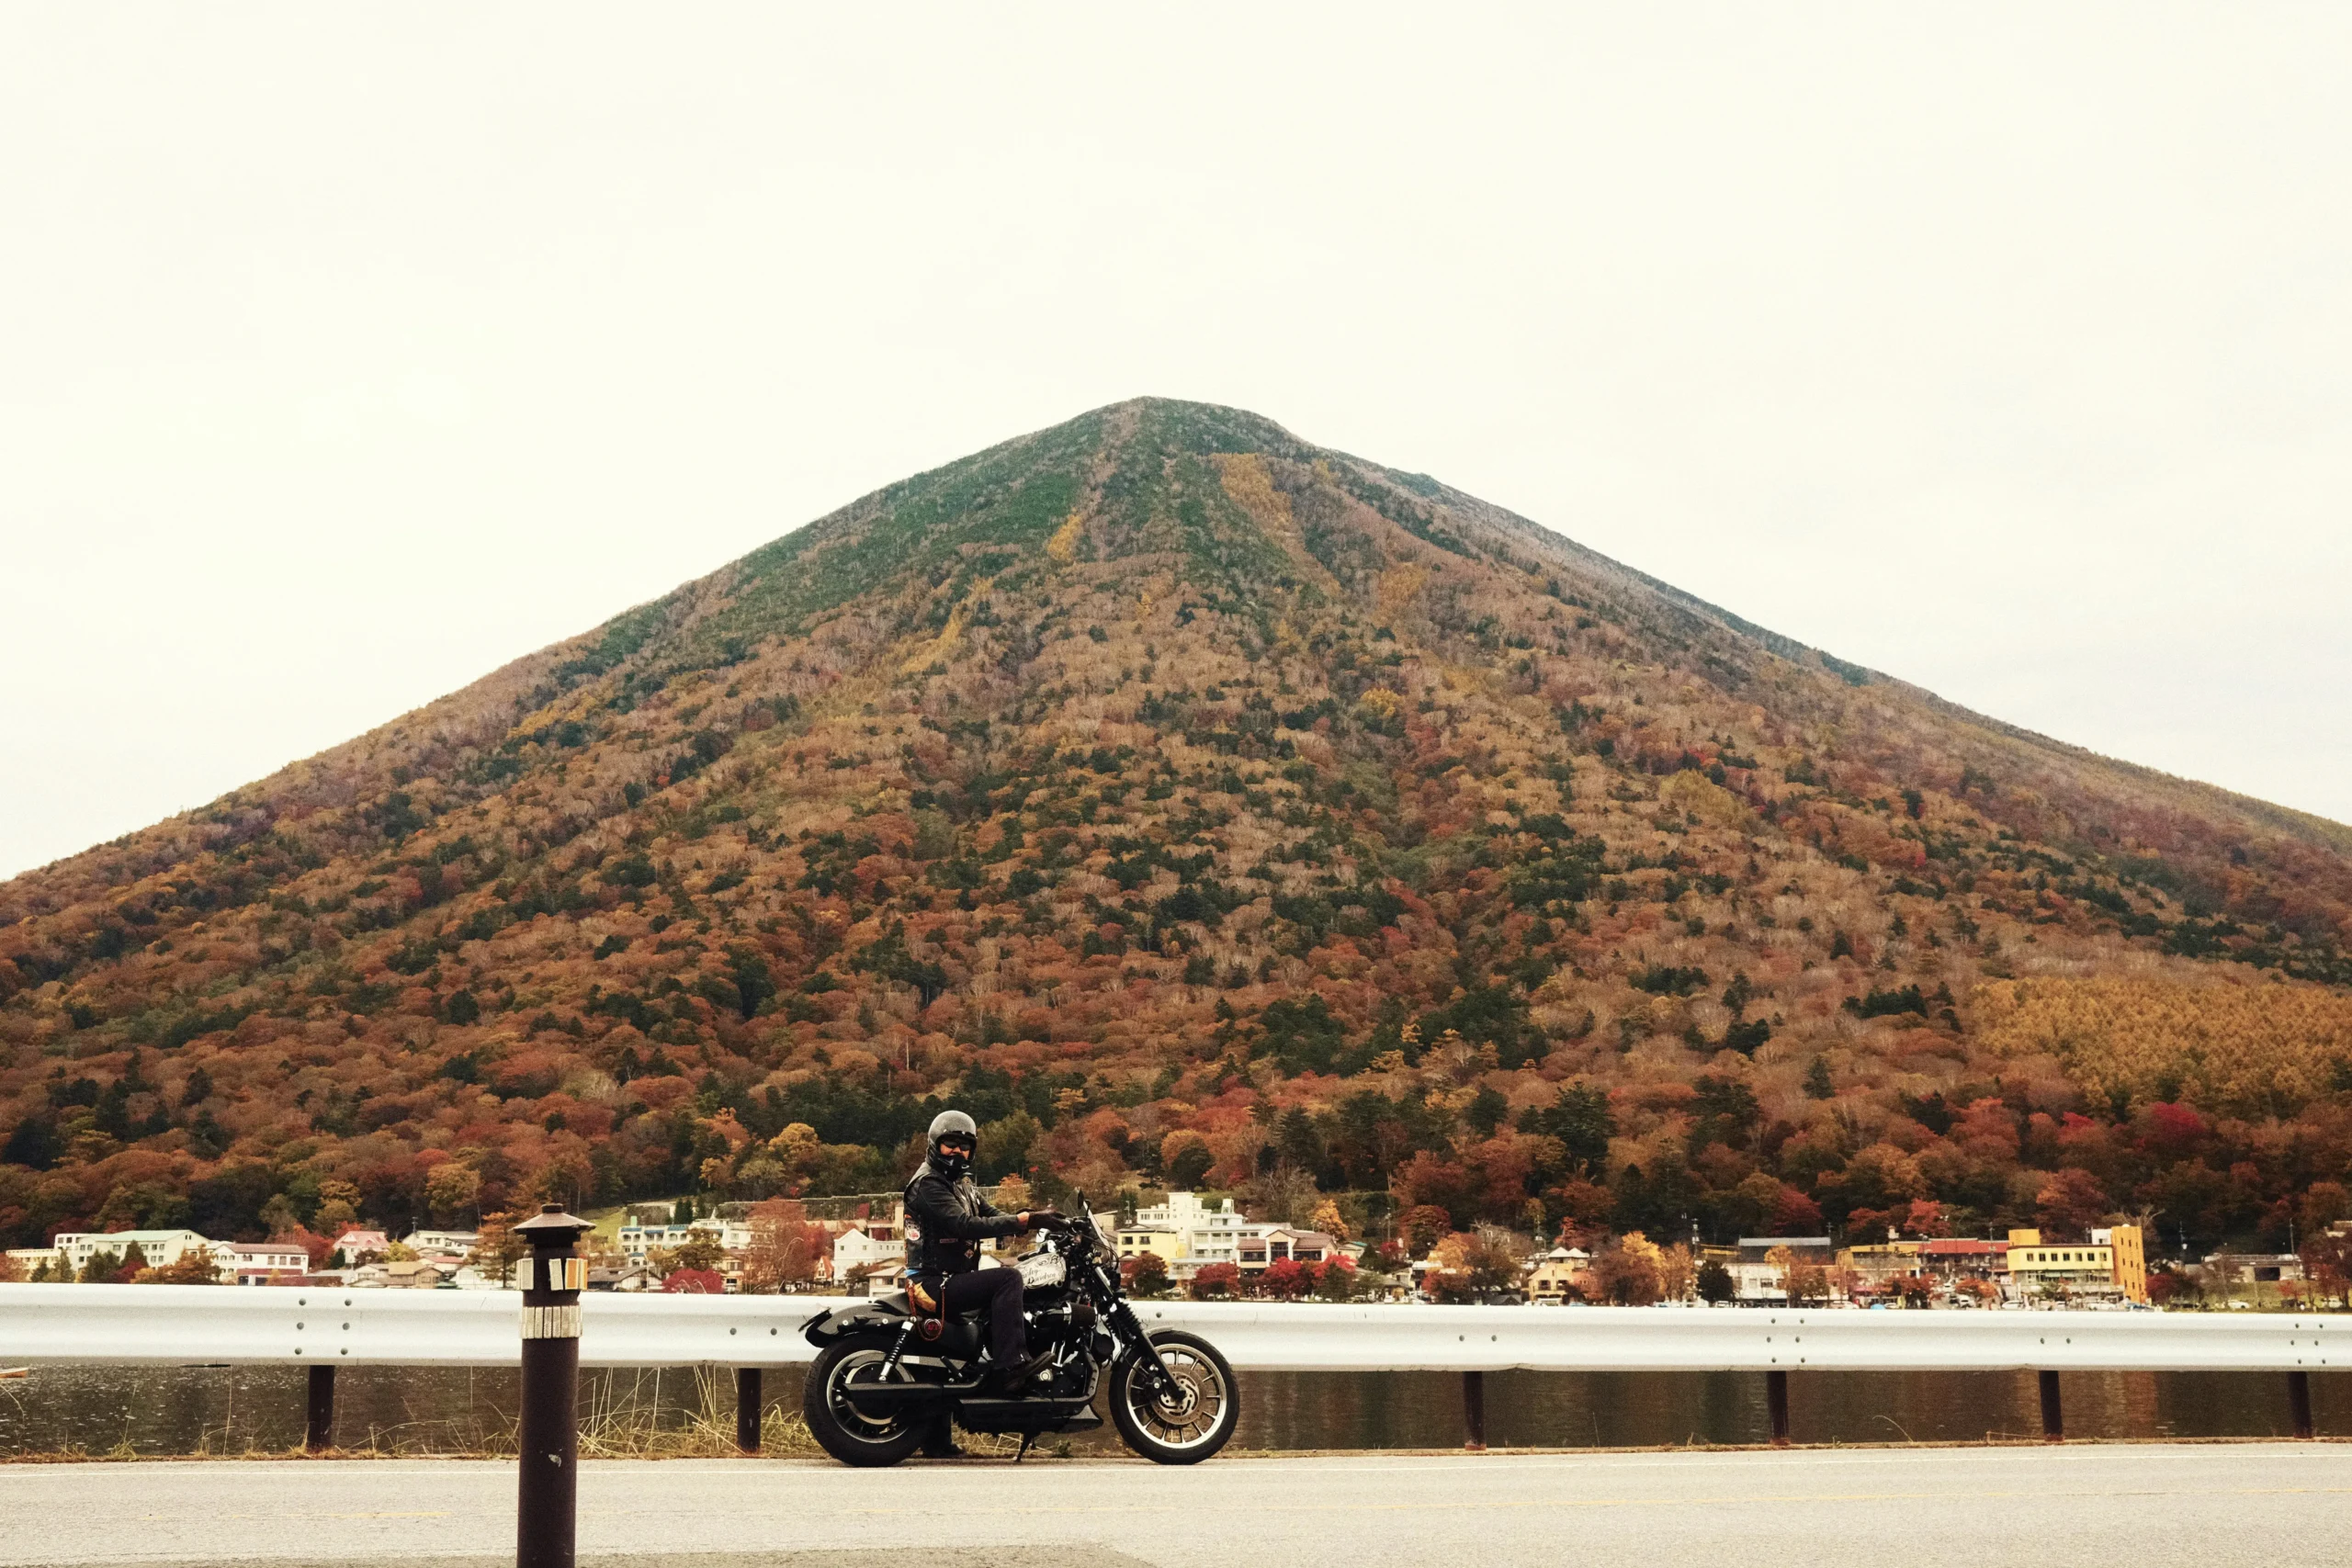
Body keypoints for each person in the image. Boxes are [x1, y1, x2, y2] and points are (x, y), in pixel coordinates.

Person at [902, 1110, 1056, 1393]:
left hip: (950, 1278)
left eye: (965, 1146)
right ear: (935, 1143)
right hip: (931, 1282)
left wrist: (1034, 1219)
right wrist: (1023, 1221)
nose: (958, 1151)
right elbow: (963, 1225)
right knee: (1008, 1279)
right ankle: (1011, 1367)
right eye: (951, 1143)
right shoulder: (929, 1183)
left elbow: (990, 1214)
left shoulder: (962, 1183)